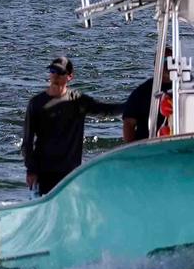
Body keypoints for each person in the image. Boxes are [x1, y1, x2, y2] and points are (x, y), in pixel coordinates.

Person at [21, 56, 124, 195]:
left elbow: (105, 110)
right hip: (44, 171)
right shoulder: (36, 103)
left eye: (60, 73)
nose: (56, 76)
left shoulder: (78, 101)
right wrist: (31, 170)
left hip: (70, 171)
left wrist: (132, 105)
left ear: (70, 77)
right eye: (53, 71)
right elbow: (27, 141)